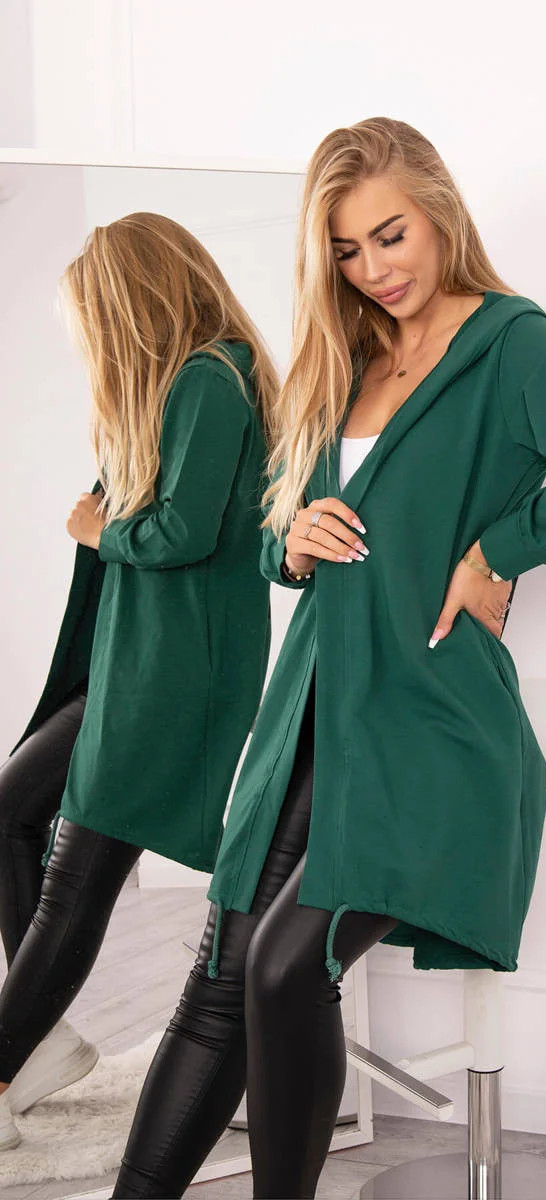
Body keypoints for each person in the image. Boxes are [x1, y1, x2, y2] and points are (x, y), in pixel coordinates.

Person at [112, 118, 546, 1199]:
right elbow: (277, 537)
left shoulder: (510, 343)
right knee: (222, 975)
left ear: (439, 210)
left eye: (390, 234)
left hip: (427, 715)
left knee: (284, 968)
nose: (374, 268)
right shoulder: (348, 355)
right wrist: (293, 540)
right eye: (347, 251)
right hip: (312, 712)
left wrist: (499, 551)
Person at [0, 213, 279, 1151]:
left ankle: (5, 1063)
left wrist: (97, 528)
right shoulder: (194, 382)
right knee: (13, 814)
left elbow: (182, 534)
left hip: (171, 675)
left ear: (134, 305)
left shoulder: (211, 376)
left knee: (77, 877)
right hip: (135, 662)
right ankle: (37, 1038)